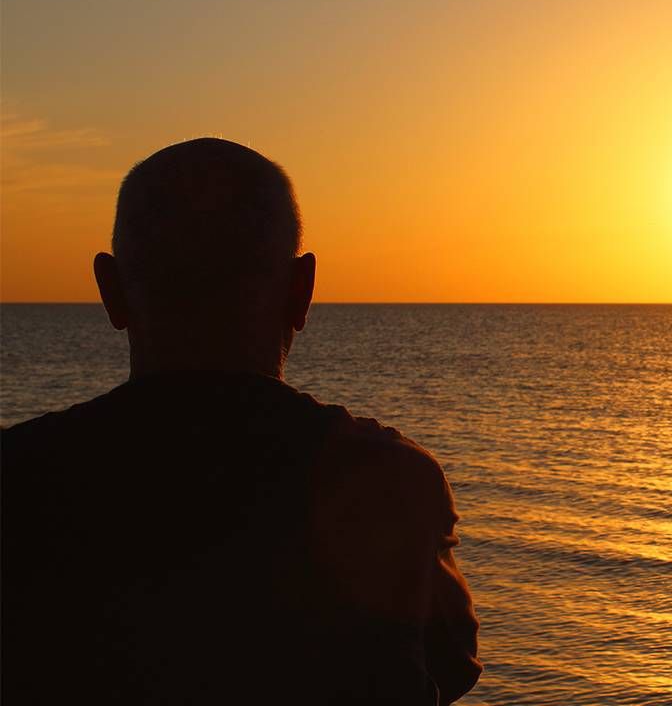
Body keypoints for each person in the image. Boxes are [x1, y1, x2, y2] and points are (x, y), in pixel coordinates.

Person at [1, 138, 482, 704]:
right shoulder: (394, 482)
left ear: (110, 290)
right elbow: (451, 667)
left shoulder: (18, 481)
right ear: (302, 292)